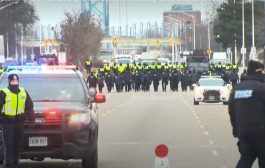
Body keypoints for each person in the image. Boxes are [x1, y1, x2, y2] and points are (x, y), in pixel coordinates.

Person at [228, 60, 265, 168]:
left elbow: (231, 110)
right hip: (261, 131)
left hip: (243, 131)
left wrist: (236, 128)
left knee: (246, 158)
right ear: (260, 72)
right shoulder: (262, 87)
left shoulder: (237, 88)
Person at [0, 74, 34, 168]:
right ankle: (9, 163)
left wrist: (32, 119)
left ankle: (16, 163)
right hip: (7, 122)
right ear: (9, 81)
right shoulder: (4, 92)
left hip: (19, 122)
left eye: (16, 80)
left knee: (18, 143)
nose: (15, 82)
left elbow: (29, 106)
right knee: (9, 144)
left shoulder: (23, 92)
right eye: (13, 80)